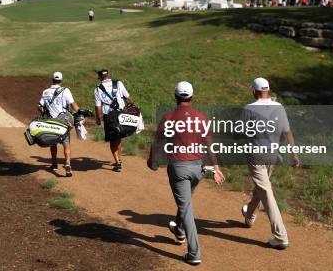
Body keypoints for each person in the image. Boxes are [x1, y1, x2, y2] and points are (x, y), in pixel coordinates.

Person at [147, 81, 225, 266]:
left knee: (186, 208)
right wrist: (216, 167)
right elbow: (209, 146)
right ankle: (179, 231)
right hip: (197, 168)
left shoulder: (168, 118)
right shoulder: (202, 118)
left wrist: (153, 160)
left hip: (179, 168)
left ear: (175, 96)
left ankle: (194, 252)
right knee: (185, 202)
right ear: (192, 96)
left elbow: (156, 142)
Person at [240, 78, 300, 250]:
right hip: (272, 155)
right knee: (262, 188)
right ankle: (249, 216)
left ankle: (280, 236)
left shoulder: (248, 108)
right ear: (268, 90)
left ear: (253, 90)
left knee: (266, 192)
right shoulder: (279, 107)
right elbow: (287, 132)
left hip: (256, 155)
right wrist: (294, 154)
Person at [38, 72, 79, 177]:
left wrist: (44, 112)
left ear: (52, 79)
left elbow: (39, 106)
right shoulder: (65, 90)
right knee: (66, 143)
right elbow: (73, 105)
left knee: (53, 143)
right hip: (63, 122)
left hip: (51, 121)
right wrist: (80, 114)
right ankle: (68, 164)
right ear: (61, 80)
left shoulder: (46, 91)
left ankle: (54, 163)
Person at [94, 69, 132, 172]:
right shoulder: (118, 83)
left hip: (109, 115)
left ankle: (118, 162)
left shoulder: (98, 89)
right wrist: (131, 111)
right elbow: (128, 98)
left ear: (100, 77)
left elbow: (98, 106)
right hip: (121, 113)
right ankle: (119, 160)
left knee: (112, 139)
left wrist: (98, 118)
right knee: (119, 137)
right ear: (108, 75)